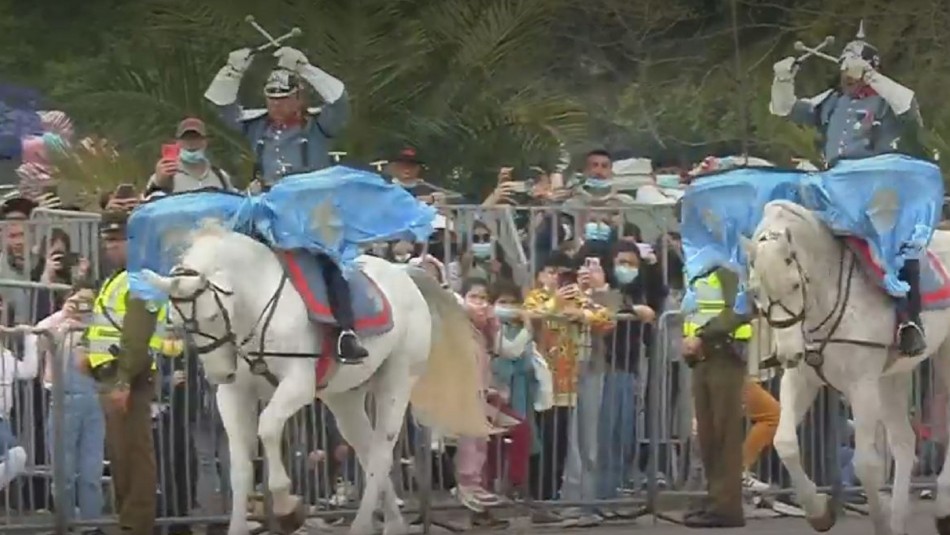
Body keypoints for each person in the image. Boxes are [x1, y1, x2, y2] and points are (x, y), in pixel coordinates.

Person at [769, 21, 928, 356]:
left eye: (852, 68)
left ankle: (909, 322)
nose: (846, 74)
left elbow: (911, 109)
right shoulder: (831, 100)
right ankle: (790, 325)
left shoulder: (887, 101)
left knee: (899, 249)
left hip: (875, 189)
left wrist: (871, 76)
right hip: (832, 187)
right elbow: (783, 109)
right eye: (845, 67)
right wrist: (782, 79)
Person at [84, 210, 168, 534]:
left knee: (134, 457)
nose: (111, 248)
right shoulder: (118, 277)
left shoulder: (140, 277)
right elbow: (103, 322)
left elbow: (136, 333)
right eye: (108, 241)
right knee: (122, 456)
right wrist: (85, 349)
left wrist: (122, 380)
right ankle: (129, 522)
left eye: (118, 241)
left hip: (130, 375)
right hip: (113, 374)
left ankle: (136, 526)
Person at [203, 46, 349, 186]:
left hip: (312, 201)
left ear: (298, 98)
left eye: (284, 98)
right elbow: (221, 105)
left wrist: (305, 69)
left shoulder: (319, 124)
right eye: (271, 99)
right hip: (270, 200)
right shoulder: (256, 126)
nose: (276, 105)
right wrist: (232, 72)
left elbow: (339, 99)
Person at [31, 282, 105, 531]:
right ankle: (65, 523)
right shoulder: (57, 326)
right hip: (64, 400)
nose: (83, 307)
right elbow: (36, 333)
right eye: (78, 300)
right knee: (63, 472)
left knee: (91, 472)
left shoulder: (99, 325)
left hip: (94, 401)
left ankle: (90, 526)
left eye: (88, 301)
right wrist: (64, 313)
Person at [681, 267, 750, 528]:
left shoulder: (728, 269)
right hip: (701, 358)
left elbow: (740, 310)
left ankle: (727, 507)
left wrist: (701, 336)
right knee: (709, 436)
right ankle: (716, 500)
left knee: (725, 434)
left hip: (725, 354)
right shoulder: (699, 271)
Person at [147, 117, 235, 195]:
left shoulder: (221, 177)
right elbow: (147, 207)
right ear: (177, 142)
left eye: (196, 138)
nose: (191, 144)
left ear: (206, 141)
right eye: (186, 139)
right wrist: (159, 184)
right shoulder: (164, 175)